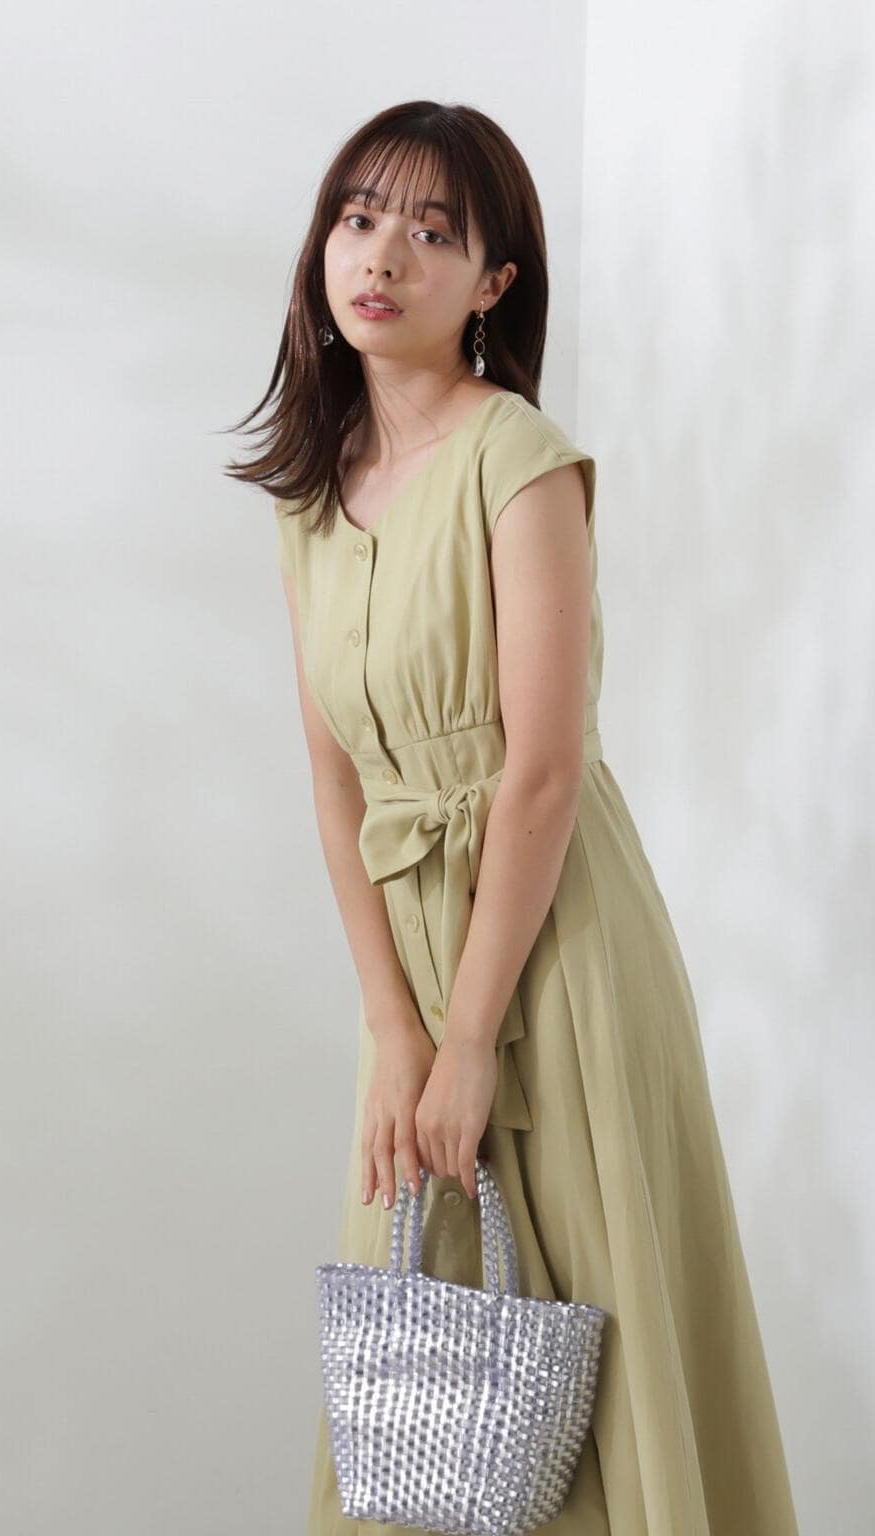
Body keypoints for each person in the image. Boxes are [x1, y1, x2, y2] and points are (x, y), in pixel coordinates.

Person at [224, 101, 799, 1535]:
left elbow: (542, 771)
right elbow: (336, 777)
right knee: (422, 1336)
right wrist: (395, 1028)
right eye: (360, 217)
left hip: (557, 941)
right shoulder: (311, 494)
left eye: (433, 233)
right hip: (412, 955)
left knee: (594, 1309)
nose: (384, 256)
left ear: (494, 283)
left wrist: (471, 1034)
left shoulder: (519, 459)